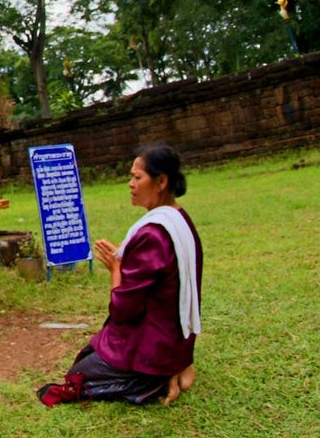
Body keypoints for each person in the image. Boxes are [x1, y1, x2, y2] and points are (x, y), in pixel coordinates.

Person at [38, 143, 203, 407]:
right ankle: (178, 366)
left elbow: (123, 311)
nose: (131, 183)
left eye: (138, 177)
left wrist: (117, 270)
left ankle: (155, 379)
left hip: (154, 346)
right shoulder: (179, 219)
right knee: (91, 352)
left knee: (77, 375)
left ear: (161, 181)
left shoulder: (153, 235)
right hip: (176, 340)